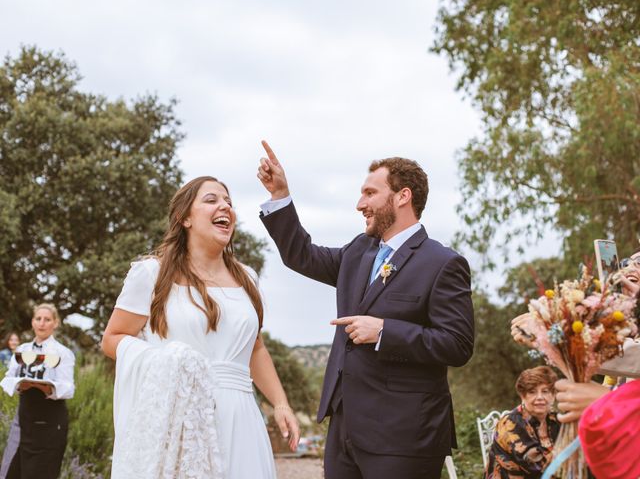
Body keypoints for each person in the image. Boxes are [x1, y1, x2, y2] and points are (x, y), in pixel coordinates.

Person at [257, 141, 475, 479]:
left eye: (370, 193)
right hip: (345, 432)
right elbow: (301, 254)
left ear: (403, 196)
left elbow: (458, 344)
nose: (360, 204)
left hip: (405, 437)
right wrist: (280, 196)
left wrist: (385, 332)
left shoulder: (443, 263)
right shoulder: (358, 252)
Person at [101, 176, 299, 478]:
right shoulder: (150, 274)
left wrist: (281, 404)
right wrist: (167, 360)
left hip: (242, 417)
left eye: (229, 202)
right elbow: (113, 338)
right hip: (180, 418)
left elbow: (255, 349)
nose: (225, 207)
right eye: (211, 200)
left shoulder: (248, 278)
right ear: (185, 218)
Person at [511, 247, 640, 423]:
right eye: (625, 263)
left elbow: (633, 357)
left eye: (639, 261)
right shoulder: (628, 325)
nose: (629, 267)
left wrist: (553, 334)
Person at [0, 303, 75, 479]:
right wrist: (19, 385)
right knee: (12, 473)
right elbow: (8, 377)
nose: (42, 323)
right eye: (38, 319)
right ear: (33, 322)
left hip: (50, 425)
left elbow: (69, 388)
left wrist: (47, 388)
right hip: (24, 421)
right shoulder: (22, 350)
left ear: (55, 323)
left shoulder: (63, 353)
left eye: (47, 319)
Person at [485, 366, 560, 478]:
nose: (540, 397)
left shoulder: (555, 420)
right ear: (522, 396)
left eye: (545, 391)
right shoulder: (512, 422)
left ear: (553, 395)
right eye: (532, 392)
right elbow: (536, 465)